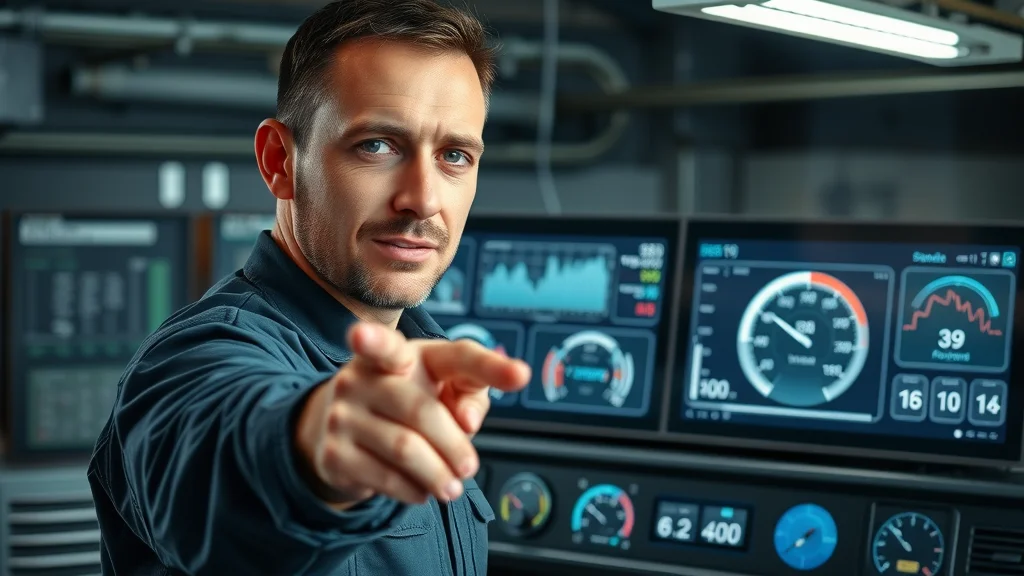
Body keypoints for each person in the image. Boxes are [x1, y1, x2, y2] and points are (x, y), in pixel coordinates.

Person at [87, 1, 531, 574]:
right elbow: (223, 455)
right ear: (279, 161)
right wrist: (312, 455)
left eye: (454, 156)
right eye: (377, 145)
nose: (422, 199)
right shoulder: (194, 358)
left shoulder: (424, 358)